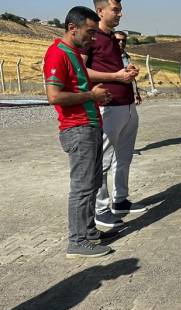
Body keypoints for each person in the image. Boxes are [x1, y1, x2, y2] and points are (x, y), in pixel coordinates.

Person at [44, 6, 116, 258]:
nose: (92, 38)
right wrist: (91, 95)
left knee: (92, 183)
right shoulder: (57, 54)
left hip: (90, 125)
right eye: (89, 32)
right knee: (82, 187)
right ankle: (77, 241)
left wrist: (97, 98)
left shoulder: (74, 52)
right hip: (77, 128)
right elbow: (53, 96)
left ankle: (89, 232)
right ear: (72, 28)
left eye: (95, 33)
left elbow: (78, 90)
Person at [82, 0, 146, 230]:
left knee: (124, 157)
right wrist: (115, 77)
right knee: (104, 160)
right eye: (115, 9)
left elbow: (111, 68)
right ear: (100, 11)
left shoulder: (111, 38)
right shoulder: (91, 37)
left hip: (126, 104)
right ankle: (101, 209)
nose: (120, 13)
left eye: (120, 9)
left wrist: (126, 73)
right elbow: (82, 70)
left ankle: (121, 200)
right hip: (108, 106)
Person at [113, 30, 142, 105]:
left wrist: (136, 94)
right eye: (118, 40)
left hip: (128, 97)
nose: (121, 42)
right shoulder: (107, 57)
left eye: (123, 40)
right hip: (114, 98)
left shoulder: (127, 57)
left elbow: (132, 79)